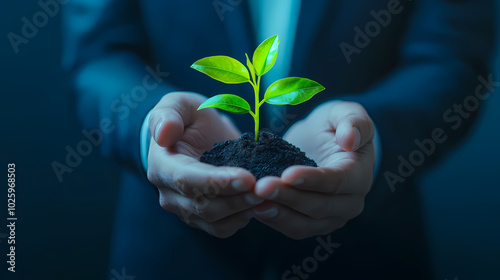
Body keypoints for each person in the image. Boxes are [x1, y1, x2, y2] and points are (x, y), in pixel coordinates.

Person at [63, 0, 495, 279]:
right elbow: (99, 55)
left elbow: (451, 58)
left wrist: (366, 136)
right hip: (174, 254)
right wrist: (154, 127)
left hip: (367, 254)